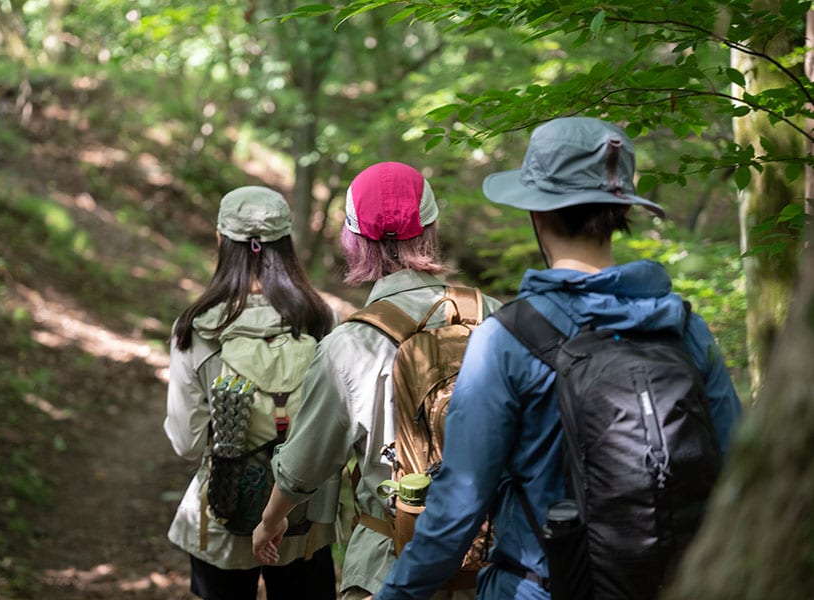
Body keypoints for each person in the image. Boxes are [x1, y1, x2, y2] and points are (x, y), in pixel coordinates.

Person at [376, 117, 744, 599]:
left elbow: (458, 509)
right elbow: (739, 470)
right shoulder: (684, 328)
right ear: (621, 213)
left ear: (537, 213)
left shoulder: (505, 341)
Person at [251, 161, 503, 600]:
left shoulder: (350, 344)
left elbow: (304, 466)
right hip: (495, 564)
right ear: (431, 229)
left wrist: (271, 521)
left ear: (354, 240)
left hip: (389, 566)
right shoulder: (494, 316)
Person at [164, 185, 338, 600]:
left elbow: (186, 444)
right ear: (287, 245)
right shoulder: (320, 319)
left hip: (223, 518)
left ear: (221, 241)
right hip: (304, 521)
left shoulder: (196, 328)